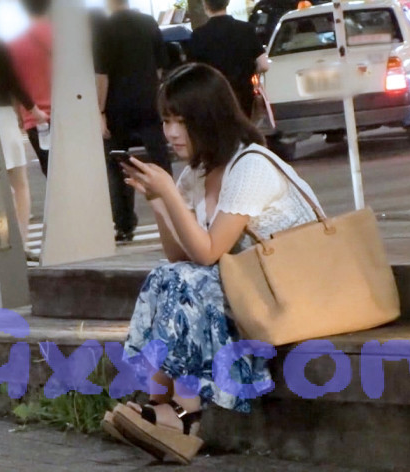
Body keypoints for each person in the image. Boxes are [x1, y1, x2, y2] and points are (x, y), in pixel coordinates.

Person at [103, 64, 322, 463]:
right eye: (166, 120)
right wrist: (158, 201)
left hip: (296, 289)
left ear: (210, 119)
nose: (171, 132)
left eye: (182, 121)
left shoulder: (251, 166)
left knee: (195, 281)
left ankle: (182, 416)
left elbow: (207, 253)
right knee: (168, 274)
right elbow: (179, 255)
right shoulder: (197, 174)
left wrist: (170, 193)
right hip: (250, 285)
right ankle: (161, 406)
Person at [96, 0, 170, 243]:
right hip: (149, 103)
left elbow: (102, 75)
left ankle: (125, 225)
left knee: (118, 165)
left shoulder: (104, 28)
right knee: (160, 159)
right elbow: (160, 67)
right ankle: (173, 210)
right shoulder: (148, 23)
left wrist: (100, 111)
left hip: (117, 107)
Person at [0, 28, 48, 253]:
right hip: (0, 115)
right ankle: (20, 242)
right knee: (19, 183)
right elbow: (12, 80)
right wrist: (33, 110)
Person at [187, 0, 269, 117]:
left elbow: (194, 73)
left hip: (213, 97)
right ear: (227, 3)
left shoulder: (198, 35)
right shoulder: (246, 29)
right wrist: (250, 71)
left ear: (205, 5)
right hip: (243, 94)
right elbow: (264, 65)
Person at [8, 0, 52, 177]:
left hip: (35, 118)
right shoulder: (64, 37)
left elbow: (14, 85)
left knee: (51, 173)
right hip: (69, 116)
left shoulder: (14, 44)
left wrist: (19, 115)